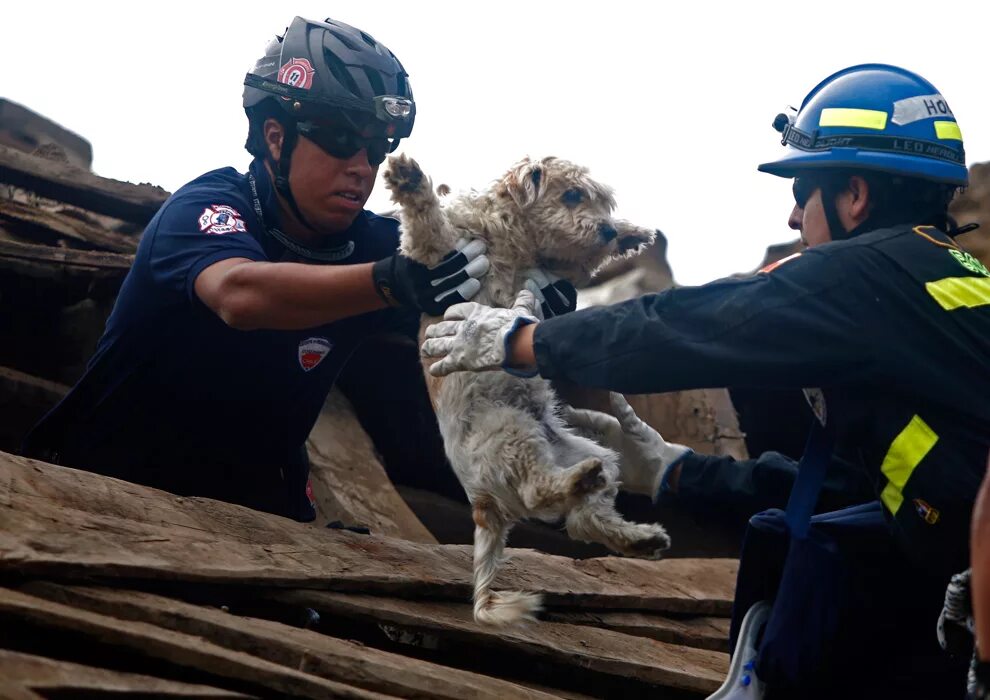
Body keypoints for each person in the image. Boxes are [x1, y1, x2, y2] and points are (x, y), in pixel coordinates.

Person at [420, 63, 990, 696]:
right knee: (804, 534)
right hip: (955, 553)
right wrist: (678, 471)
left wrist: (524, 340)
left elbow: (694, 322)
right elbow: (848, 488)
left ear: (854, 196)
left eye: (803, 193)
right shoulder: (941, 283)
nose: (795, 217)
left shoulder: (863, 272)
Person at [19, 16, 509, 522]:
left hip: (253, 524)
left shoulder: (378, 244)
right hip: (91, 496)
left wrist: (529, 300)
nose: (363, 166)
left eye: (377, 147)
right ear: (276, 138)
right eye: (342, 138)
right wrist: (388, 282)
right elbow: (239, 295)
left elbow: (483, 308)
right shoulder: (207, 207)